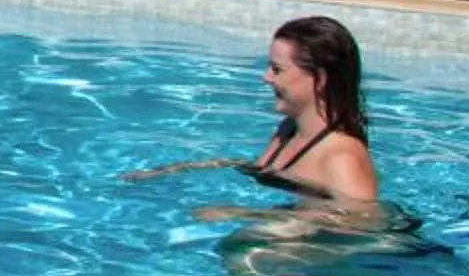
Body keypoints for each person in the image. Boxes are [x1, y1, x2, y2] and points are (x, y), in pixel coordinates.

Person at [125, 15, 379, 205]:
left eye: (277, 69)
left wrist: (245, 214)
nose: (266, 78)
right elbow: (264, 170)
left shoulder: (342, 159)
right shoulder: (290, 129)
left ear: (320, 79)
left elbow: (362, 226)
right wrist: (180, 169)